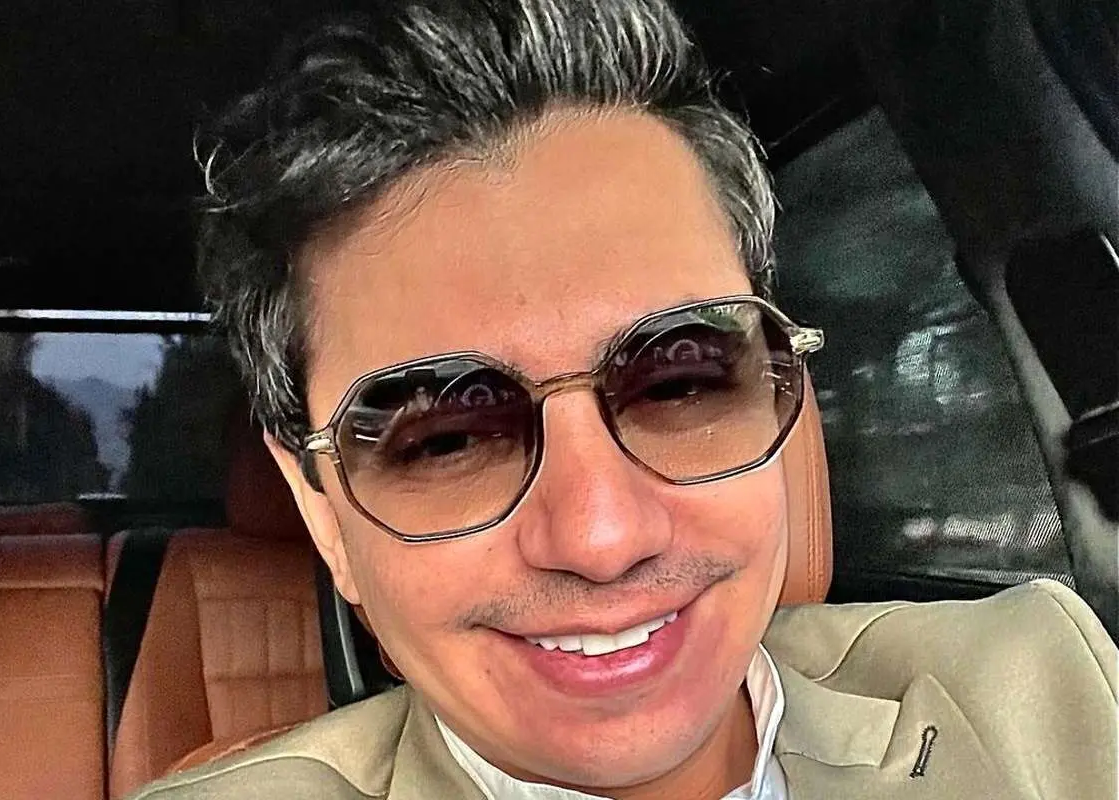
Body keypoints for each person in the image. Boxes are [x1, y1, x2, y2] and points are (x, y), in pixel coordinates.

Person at [130, 1, 1117, 797]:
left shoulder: (1045, 684)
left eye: (680, 384)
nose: (603, 537)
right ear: (322, 513)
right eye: (448, 438)